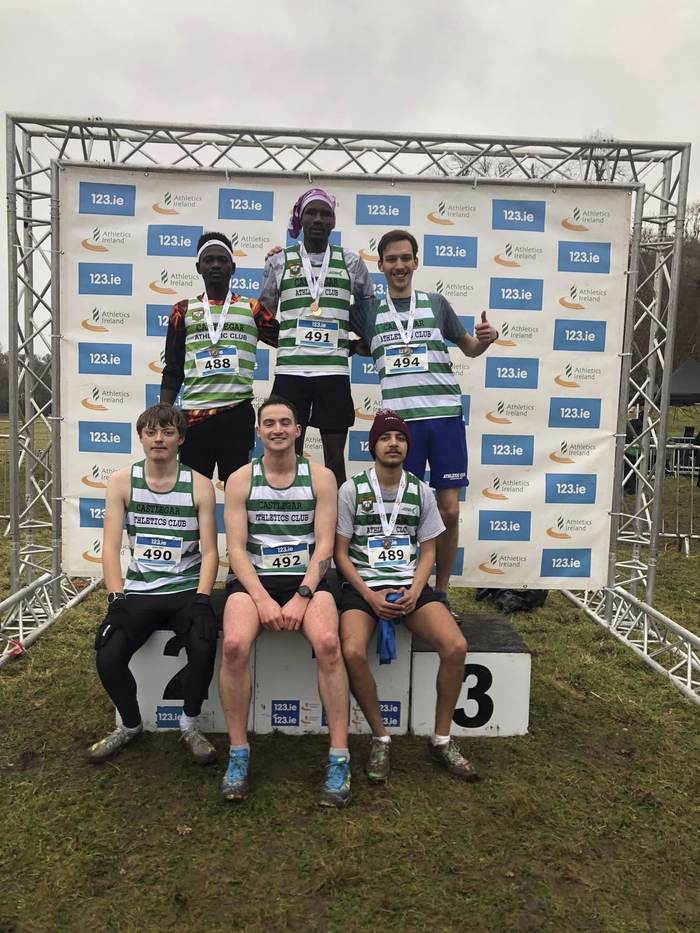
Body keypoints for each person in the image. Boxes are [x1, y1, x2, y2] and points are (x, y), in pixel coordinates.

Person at [350, 230, 498, 610]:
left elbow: (470, 348)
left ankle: (441, 593)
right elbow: (320, 303)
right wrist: (283, 256)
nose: (399, 265)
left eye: (405, 258)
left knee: (448, 511)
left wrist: (488, 338)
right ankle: (402, 588)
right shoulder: (367, 311)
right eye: (391, 259)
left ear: (417, 262)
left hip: (445, 418)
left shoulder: (436, 303)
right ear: (380, 264)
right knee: (402, 513)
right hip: (401, 426)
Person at [219, 395, 352, 807]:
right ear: (258, 432)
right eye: (269, 423)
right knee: (234, 646)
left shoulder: (322, 477)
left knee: (330, 644)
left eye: (285, 423)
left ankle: (339, 757)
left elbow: (325, 547)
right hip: (254, 581)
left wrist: (302, 595)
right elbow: (237, 551)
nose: (277, 429)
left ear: (298, 431)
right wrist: (260, 598)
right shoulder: (240, 479)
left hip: (306, 583)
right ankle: (238, 754)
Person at [334, 409, 479, 783]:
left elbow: (428, 550)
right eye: (385, 438)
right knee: (350, 651)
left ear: (407, 446)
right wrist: (368, 594)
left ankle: (442, 739)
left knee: (456, 646)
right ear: (373, 446)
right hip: (364, 590)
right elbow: (339, 552)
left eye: (399, 438)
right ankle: (381, 738)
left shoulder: (420, 490)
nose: (393, 443)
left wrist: (416, 591)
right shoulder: (351, 490)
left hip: (410, 588)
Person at [86, 405, 220, 765]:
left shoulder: (201, 485)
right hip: (140, 591)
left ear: (181, 438)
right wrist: (116, 598)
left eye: (167, 432)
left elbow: (210, 552)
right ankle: (130, 726)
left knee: (205, 647)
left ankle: (189, 725)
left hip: (185, 591)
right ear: (141, 438)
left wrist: (203, 599)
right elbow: (111, 547)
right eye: (151, 432)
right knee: (108, 656)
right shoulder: (121, 481)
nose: (158, 438)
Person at [259, 188, 374, 486]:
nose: (318, 219)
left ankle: (337, 532)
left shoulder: (351, 262)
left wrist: (353, 344)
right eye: (311, 212)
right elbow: (264, 317)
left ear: (334, 221)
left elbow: (367, 310)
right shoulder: (278, 262)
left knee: (335, 461)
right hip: (290, 373)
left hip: (333, 374)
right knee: (286, 458)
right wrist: (287, 342)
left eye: (325, 213)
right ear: (300, 218)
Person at [160, 232, 279, 487]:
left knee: (239, 491)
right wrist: (164, 412)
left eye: (222, 260)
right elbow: (173, 367)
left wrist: (282, 266)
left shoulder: (252, 309)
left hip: (236, 415)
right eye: (209, 260)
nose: (216, 265)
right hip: (193, 418)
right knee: (193, 492)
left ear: (233, 267)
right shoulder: (183, 310)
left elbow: (288, 340)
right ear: (198, 267)